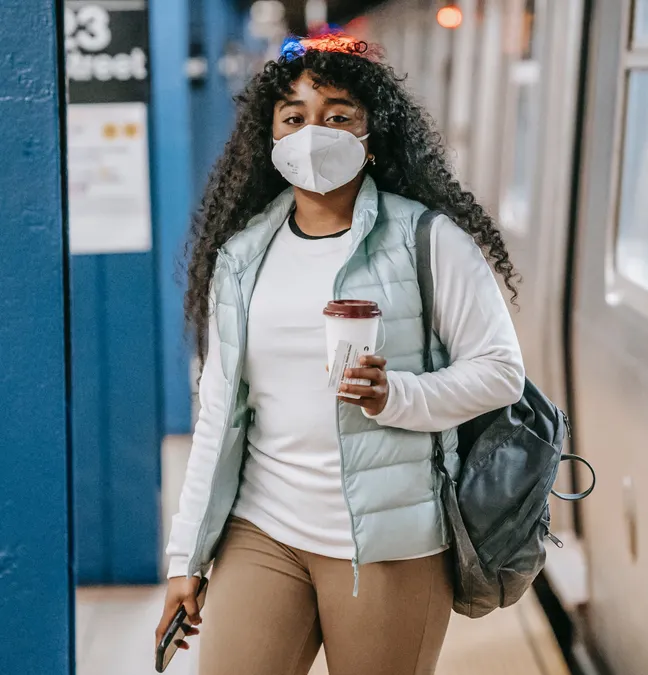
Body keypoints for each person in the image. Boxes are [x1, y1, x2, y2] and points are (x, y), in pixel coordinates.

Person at [154, 33, 524, 675]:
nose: (312, 133)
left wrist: (398, 395)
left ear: (370, 135)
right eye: (294, 118)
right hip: (262, 527)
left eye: (337, 116)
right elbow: (218, 411)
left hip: (389, 542)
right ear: (270, 144)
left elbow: (501, 372)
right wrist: (185, 556)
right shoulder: (242, 257)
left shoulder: (427, 241)